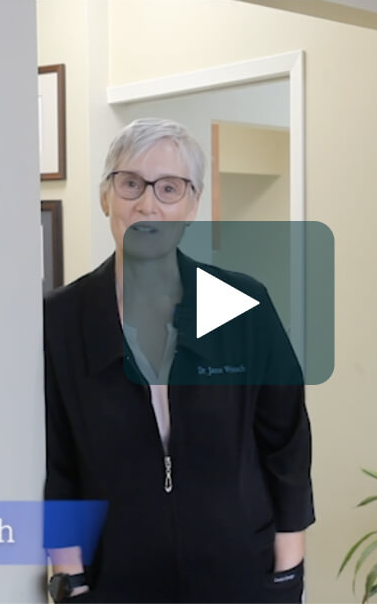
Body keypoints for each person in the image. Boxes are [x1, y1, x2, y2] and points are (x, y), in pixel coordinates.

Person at [42, 118, 314, 603]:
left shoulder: (242, 304)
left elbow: (286, 443)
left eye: (169, 188)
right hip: (115, 582)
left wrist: (287, 572)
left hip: (240, 576)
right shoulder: (60, 319)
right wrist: (70, 580)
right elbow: (57, 460)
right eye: (130, 184)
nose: (148, 204)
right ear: (106, 197)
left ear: (192, 205)